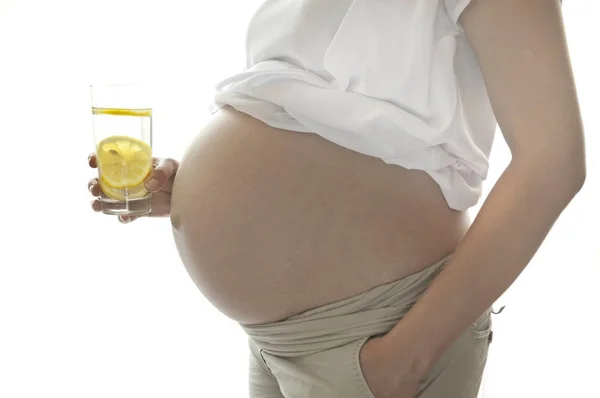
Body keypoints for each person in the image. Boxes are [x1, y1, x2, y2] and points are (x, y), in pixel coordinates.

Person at [88, 0, 585, 397]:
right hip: (275, 341)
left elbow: (553, 162)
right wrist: (191, 191)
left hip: (378, 337)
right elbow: (302, 112)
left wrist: (404, 359)